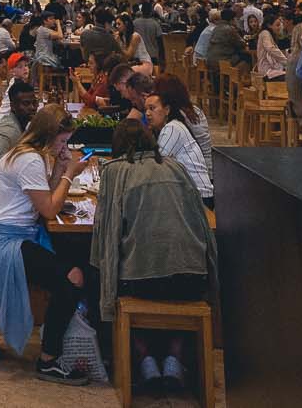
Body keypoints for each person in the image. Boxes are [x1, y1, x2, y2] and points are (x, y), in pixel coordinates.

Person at [93, 120, 217, 393]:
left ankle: (145, 360)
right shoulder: (176, 167)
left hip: (141, 281)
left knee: (122, 277)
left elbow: (107, 235)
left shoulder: (115, 171)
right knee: (176, 285)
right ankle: (174, 360)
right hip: (193, 278)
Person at [0, 105, 92, 383]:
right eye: (62, 141)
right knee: (72, 278)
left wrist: (61, 168)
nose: (64, 146)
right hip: (4, 242)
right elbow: (50, 210)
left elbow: (43, 199)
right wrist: (69, 174)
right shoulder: (28, 160)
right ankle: (49, 359)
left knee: (74, 263)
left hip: (14, 234)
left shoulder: (29, 155)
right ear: (49, 135)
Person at [145, 75, 213, 206]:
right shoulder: (176, 120)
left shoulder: (173, 127)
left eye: (152, 108)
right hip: (190, 189)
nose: (147, 113)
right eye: (146, 109)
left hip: (198, 194)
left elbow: (156, 165)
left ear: (167, 108)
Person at [0, 79, 41, 202]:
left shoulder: (20, 124)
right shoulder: (9, 130)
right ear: (13, 106)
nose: (32, 108)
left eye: (35, 103)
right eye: (26, 104)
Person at [255, 13, 289, 82]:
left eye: (280, 25)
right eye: (277, 25)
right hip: (266, 71)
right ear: (269, 25)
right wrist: (286, 61)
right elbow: (271, 49)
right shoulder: (265, 33)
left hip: (270, 69)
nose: (279, 27)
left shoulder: (269, 34)